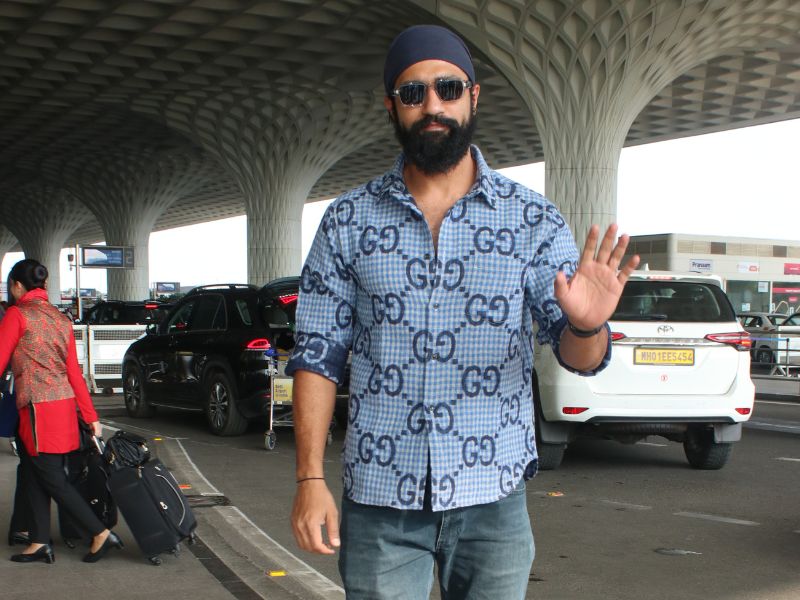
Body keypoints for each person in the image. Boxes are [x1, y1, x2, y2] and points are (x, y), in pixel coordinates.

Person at [287, 24, 640, 599]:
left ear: (473, 97)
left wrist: (586, 323)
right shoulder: (347, 221)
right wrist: (309, 477)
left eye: (448, 88)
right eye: (413, 92)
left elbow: (580, 358)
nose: (433, 105)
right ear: (392, 106)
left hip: (493, 499)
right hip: (380, 498)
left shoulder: (532, 219)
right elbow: (317, 356)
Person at [0, 259, 123, 564]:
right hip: (64, 407)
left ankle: (100, 533)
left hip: (38, 410)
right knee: (34, 471)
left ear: (17, 286)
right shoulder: (60, 318)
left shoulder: (17, 315)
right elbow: (74, 373)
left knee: (52, 477)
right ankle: (39, 541)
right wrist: (90, 416)